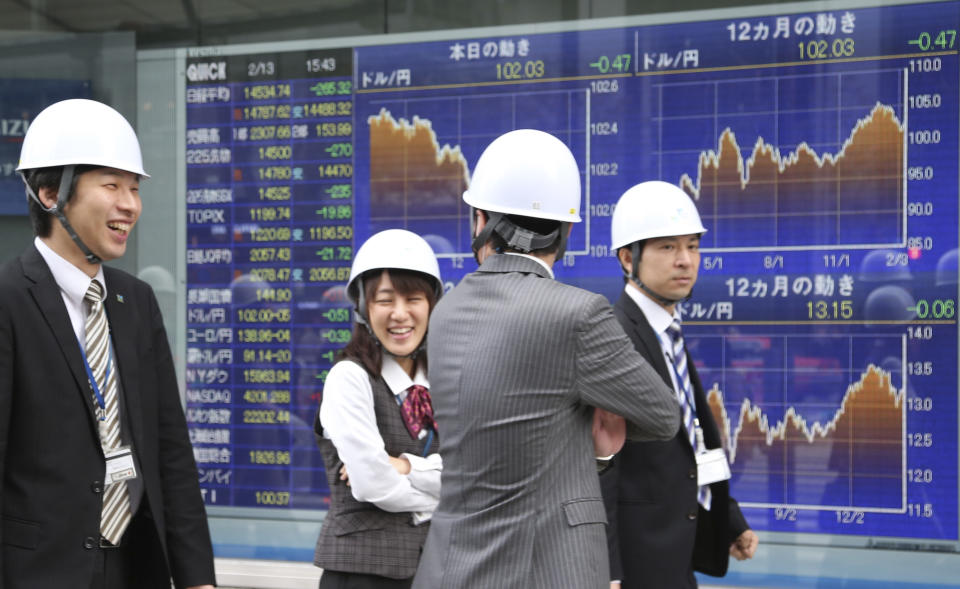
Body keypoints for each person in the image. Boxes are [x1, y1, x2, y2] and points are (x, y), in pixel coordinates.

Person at [411, 129, 680, 589]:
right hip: (546, 570)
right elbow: (662, 415)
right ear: (566, 230)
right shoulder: (579, 313)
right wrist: (595, 441)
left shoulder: (446, 312)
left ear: (480, 220)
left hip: (447, 568)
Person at [0, 98, 215, 588]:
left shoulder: (135, 301)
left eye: (135, 188)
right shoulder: (8, 300)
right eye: (112, 185)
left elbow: (170, 450)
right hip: (38, 572)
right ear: (51, 193)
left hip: (134, 566)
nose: (130, 205)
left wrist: (197, 578)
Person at [601, 181, 758, 588]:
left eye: (692, 245)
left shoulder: (668, 330)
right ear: (626, 258)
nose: (686, 261)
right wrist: (608, 571)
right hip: (637, 562)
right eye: (667, 248)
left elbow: (692, 441)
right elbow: (600, 467)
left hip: (677, 553)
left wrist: (728, 521)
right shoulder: (614, 337)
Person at [314, 229, 444, 589]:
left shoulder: (444, 381)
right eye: (385, 300)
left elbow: (475, 473)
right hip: (360, 576)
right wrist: (446, 492)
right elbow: (374, 486)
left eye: (413, 298)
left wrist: (403, 465)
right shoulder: (348, 378)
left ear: (432, 305)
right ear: (363, 308)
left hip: (433, 572)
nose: (400, 314)